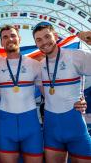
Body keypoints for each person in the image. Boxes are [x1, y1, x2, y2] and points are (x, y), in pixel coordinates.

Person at [33, 21, 91, 162]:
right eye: (39, 40)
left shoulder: (76, 56)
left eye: (47, 36)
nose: (44, 42)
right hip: (52, 131)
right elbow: (47, 96)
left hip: (76, 127)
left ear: (55, 36)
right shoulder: (39, 67)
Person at [0, 25, 44, 163]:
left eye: (13, 35)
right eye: (5, 37)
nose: (9, 39)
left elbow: (48, 94)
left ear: (19, 39)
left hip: (31, 126)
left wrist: (78, 101)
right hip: (6, 127)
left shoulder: (35, 64)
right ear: (1, 42)